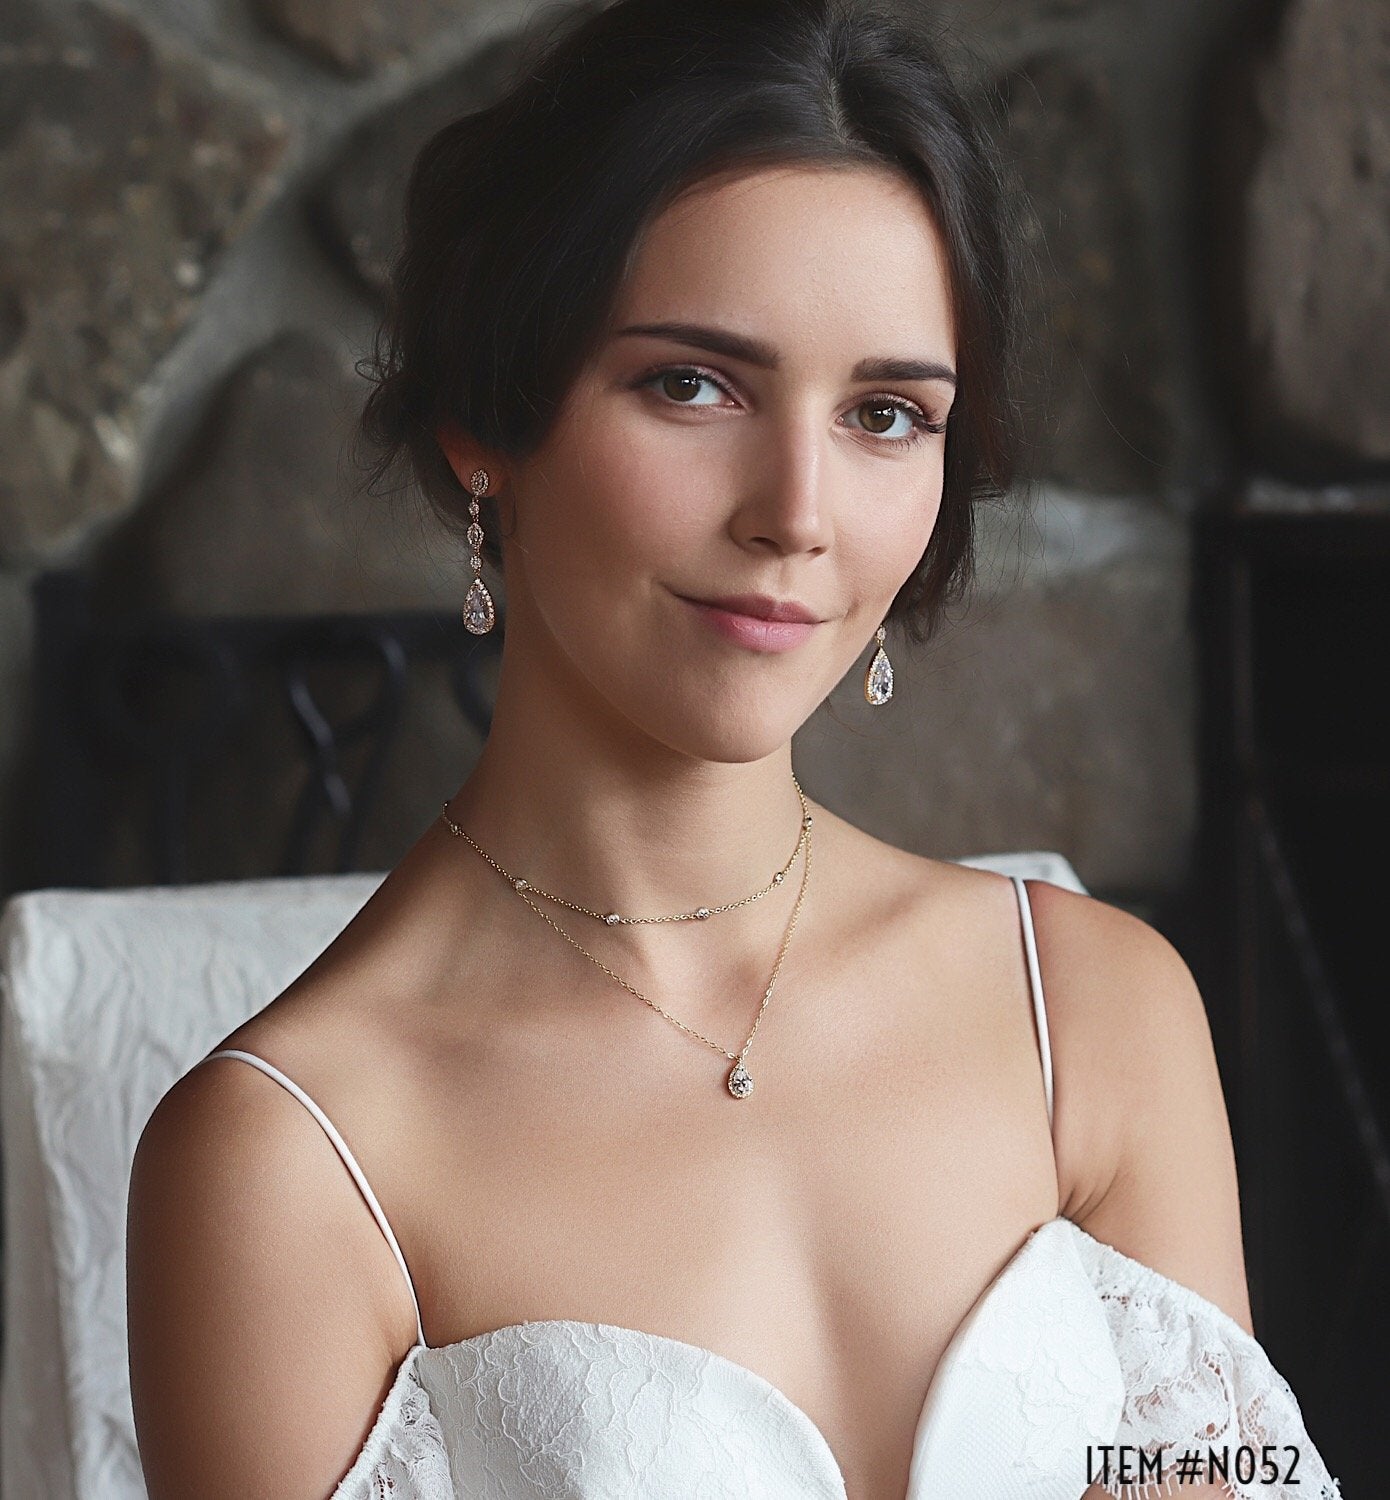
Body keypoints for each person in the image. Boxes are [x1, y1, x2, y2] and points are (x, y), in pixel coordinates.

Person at [124, 1, 1342, 1496]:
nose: (796, 510)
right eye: (691, 384)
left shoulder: (1091, 1017)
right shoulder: (290, 1165)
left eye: (886, 413)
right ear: (483, 416)